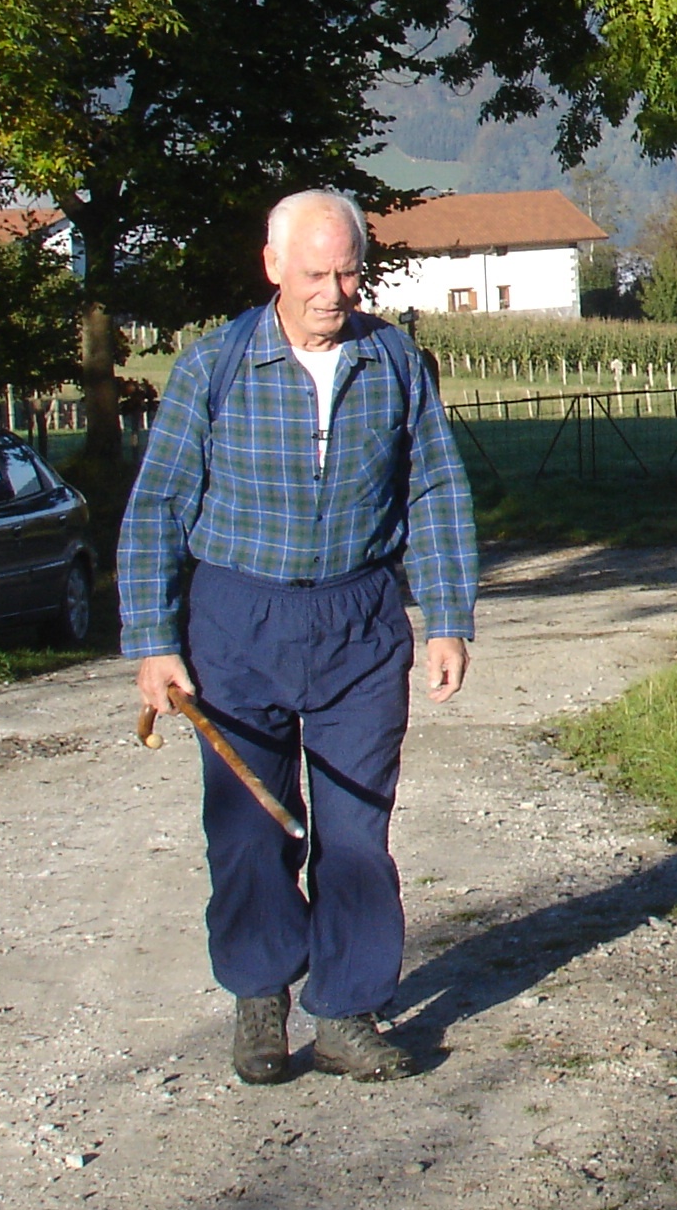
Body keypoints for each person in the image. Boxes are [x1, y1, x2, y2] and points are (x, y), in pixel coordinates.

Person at [123, 190, 477, 1085]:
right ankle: (259, 992)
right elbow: (158, 505)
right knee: (249, 827)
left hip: (360, 623)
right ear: (273, 266)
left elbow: (434, 490)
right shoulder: (215, 366)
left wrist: (447, 618)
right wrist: (154, 642)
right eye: (316, 273)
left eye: (349, 273)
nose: (333, 292)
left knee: (356, 831)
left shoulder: (393, 361)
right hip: (236, 622)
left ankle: (347, 1010)